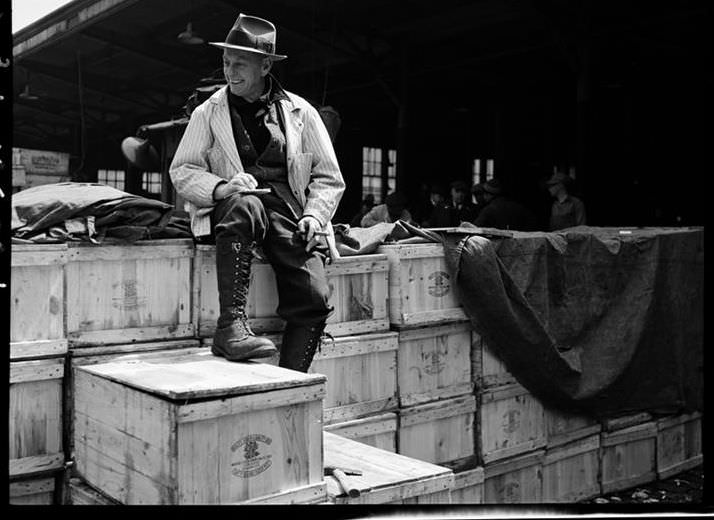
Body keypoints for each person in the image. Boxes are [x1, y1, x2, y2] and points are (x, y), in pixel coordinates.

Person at [169, 13, 345, 372]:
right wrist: (221, 187)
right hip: (234, 207)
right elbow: (182, 170)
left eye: (240, 64)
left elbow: (329, 176)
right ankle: (230, 327)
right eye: (226, 62)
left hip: (287, 210)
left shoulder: (302, 112)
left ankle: (292, 379)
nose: (230, 71)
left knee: (314, 297)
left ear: (265, 66)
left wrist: (313, 214)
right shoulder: (208, 112)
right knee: (245, 204)